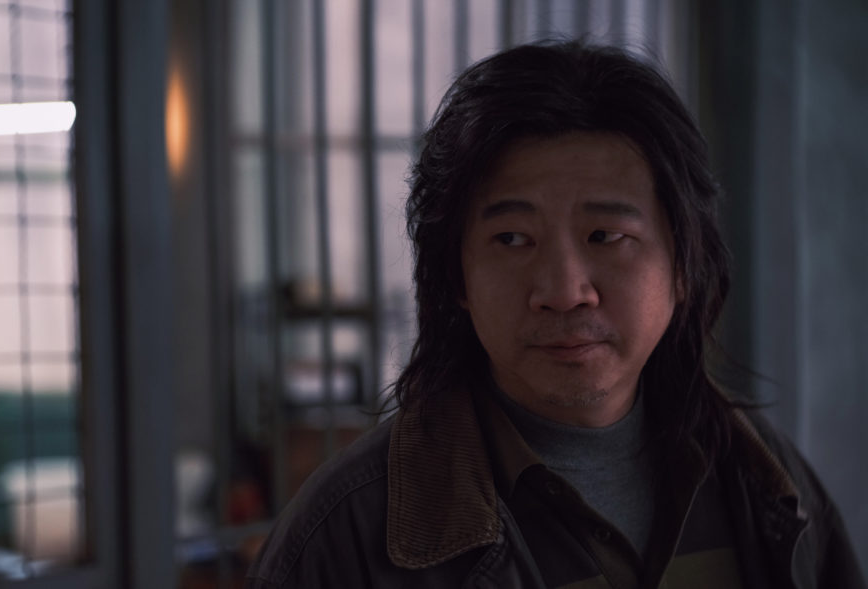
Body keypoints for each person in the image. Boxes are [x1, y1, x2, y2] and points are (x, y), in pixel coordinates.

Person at [245, 40, 865, 588]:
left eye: (606, 236)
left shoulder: (764, 481)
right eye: (513, 239)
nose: (565, 291)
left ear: (684, 264)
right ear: (456, 277)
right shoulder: (347, 536)